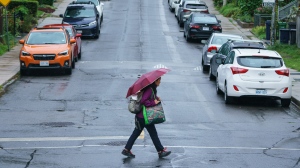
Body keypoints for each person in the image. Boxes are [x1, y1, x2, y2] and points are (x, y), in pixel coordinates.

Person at [122, 77, 171, 158]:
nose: (160, 82)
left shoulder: (151, 89)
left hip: (140, 116)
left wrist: (156, 98)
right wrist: (153, 102)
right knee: (153, 134)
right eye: (159, 81)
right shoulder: (149, 89)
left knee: (136, 132)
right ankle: (160, 151)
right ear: (155, 81)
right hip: (145, 117)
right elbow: (143, 101)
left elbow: (147, 98)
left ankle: (126, 150)